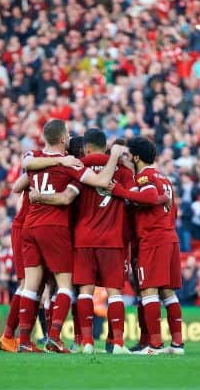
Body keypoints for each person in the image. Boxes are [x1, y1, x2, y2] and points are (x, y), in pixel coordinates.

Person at [17, 119, 127, 353]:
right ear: (63, 139)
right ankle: (54, 337)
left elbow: (22, 172)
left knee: (31, 286)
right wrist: (114, 157)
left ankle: (24, 341)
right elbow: (101, 181)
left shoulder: (33, 158)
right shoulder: (70, 164)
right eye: (67, 134)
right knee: (65, 285)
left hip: (30, 226)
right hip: (54, 227)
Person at [0, 151, 83, 352]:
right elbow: (18, 185)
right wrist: (57, 163)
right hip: (32, 225)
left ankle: (32, 338)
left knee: (44, 284)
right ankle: (10, 335)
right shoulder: (47, 162)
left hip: (35, 226)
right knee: (30, 284)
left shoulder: (42, 164)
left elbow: (19, 184)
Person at [109, 136, 184, 355]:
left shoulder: (144, 178)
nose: (126, 158)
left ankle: (155, 345)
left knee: (148, 290)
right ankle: (177, 344)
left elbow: (150, 197)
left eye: (128, 154)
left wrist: (119, 191)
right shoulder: (164, 178)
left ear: (136, 156)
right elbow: (172, 208)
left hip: (153, 239)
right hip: (170, 236)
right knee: (168, 292)